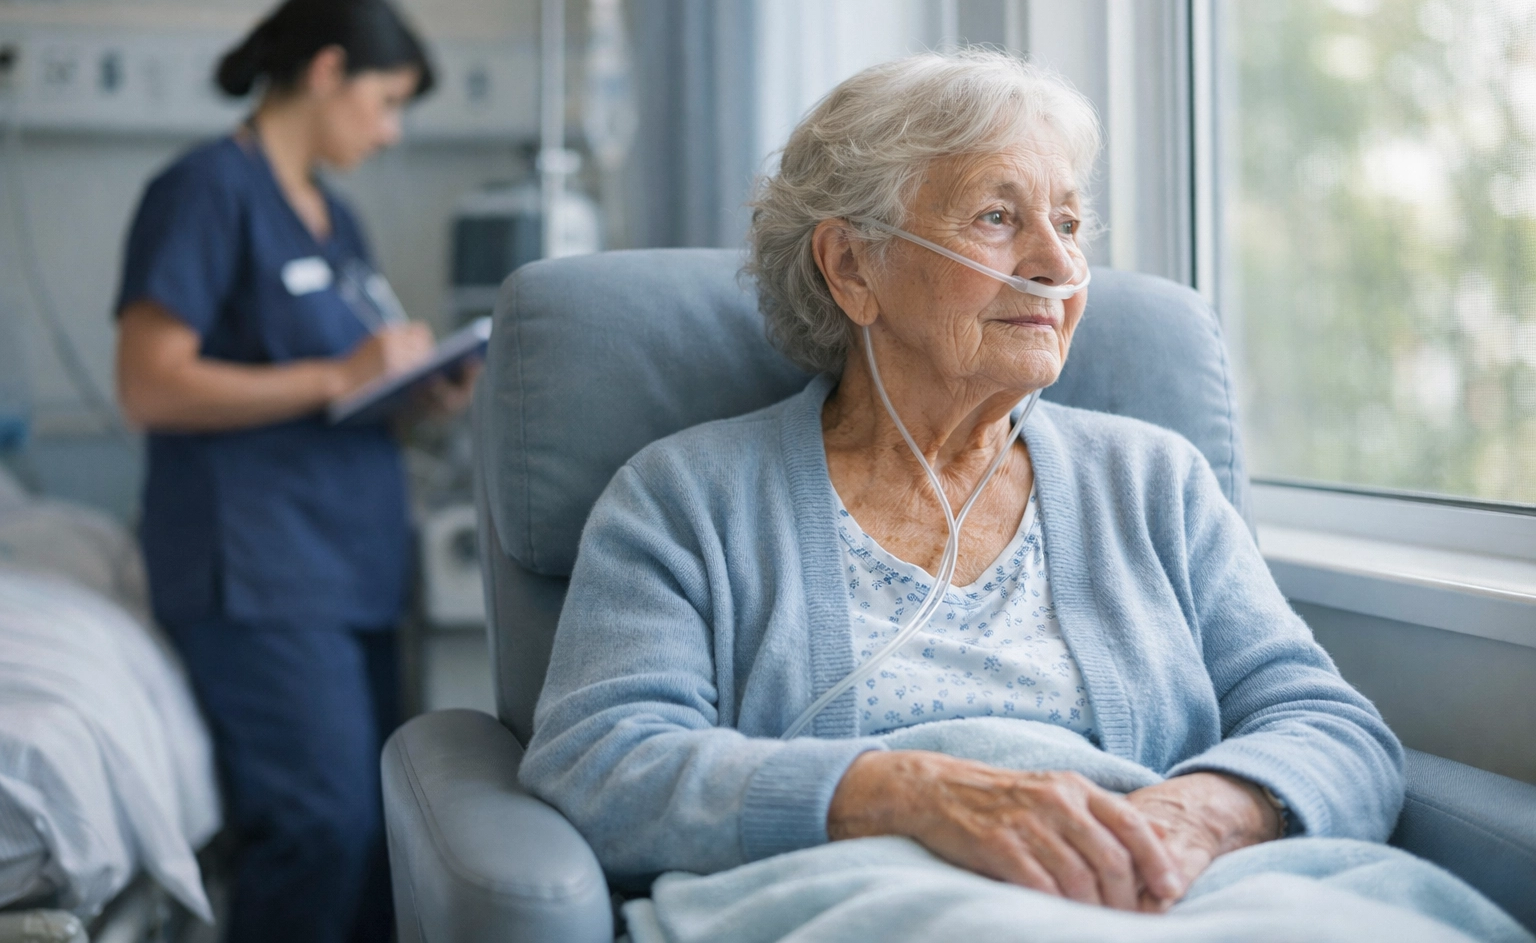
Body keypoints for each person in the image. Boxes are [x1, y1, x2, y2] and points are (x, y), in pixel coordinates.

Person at [518, 51, 1404, 912]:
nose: (1057, 266)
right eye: (996, 216)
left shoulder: (1154, 483)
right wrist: (909, 795)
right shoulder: (685, 500)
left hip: (1160, 889)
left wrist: (1192, 820)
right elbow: (601, 760)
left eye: (1068, 224)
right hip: (877, 900)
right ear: (851, 268)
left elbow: (1334, 730)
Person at [113, 0, 474, 943]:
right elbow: (148, 384)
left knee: (385, 845)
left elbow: (345, 393)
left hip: (351, 568)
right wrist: (337, 374)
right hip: (258, 573)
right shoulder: (205, 192)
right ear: (326, 71)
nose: (392, 132)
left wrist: (416, 392)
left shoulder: (337, 220)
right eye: (385, 101)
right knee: (321, 829)